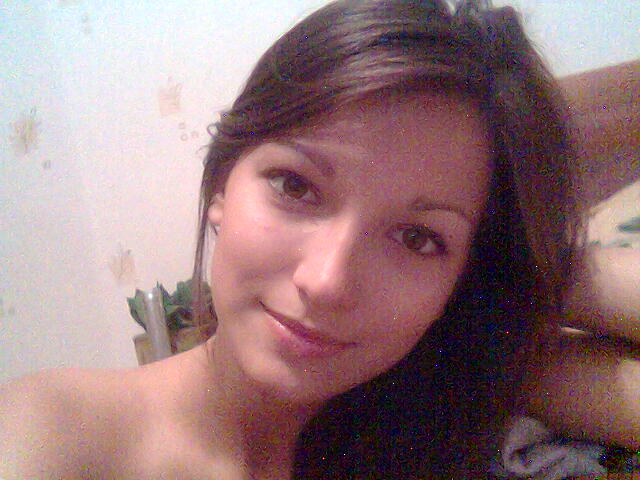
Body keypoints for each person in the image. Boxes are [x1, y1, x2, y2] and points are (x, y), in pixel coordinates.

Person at [1, 0, 631, 478]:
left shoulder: (451, 429)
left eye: (418, 238)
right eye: (295, 186)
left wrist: (513, 312)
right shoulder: (50, 434)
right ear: (220, 185)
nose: (327, 281)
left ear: (463, 280)